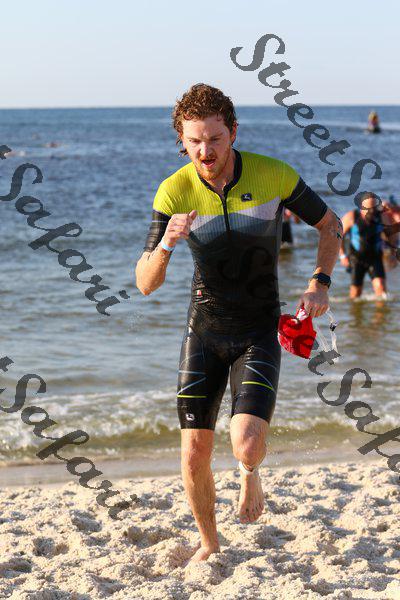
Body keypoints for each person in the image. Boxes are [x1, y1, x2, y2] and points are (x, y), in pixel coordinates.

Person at [135, 84, 342, 563]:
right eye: (194, 141)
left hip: (258, 329)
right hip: (204, 331)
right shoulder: (174, 190)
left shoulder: (273, 175)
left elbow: (330, 224)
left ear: (233, 132)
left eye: (215, 138)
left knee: (246, 445)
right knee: (194, 452)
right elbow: (145, 283)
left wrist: (319, 282)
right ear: (182, 141)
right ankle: (209, 541)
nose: (205, 151)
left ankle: (250, 472)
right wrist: (166, 244)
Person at [340, 194, 397, 298]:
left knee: (381, 289)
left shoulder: (381, 216)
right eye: (368, 208)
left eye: (374, 208)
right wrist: (343, 256)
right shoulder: (352, 217)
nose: (372, 211)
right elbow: (339, 235)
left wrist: (392, 252)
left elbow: (391, 234)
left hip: (375, 257)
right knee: (356, 293)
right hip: (357, 259)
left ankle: (381, 309)